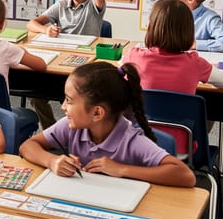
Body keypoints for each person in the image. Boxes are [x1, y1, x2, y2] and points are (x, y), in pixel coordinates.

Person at [19, 62, 196, 187]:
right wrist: (52, 160)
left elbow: (185, 176)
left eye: (69, 100)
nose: (63, 107)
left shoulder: (131, 140)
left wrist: (122, 169)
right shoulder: (69, 126)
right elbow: (27, 146)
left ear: (97, 112)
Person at [26, 0, 105, 129]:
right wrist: (46, 29)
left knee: (79, 99)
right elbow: (32, 23)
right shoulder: (61, 5)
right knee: (34, 94)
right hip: (59, 61)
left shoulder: (94, 7)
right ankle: (51, 128)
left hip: (82, 65)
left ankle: (74, 131)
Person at [122, 0, 223, 94]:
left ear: (150, 27)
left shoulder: (133, 56)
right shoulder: (195, 63)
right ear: (189, 32)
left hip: (138, 118)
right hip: (183, 119)